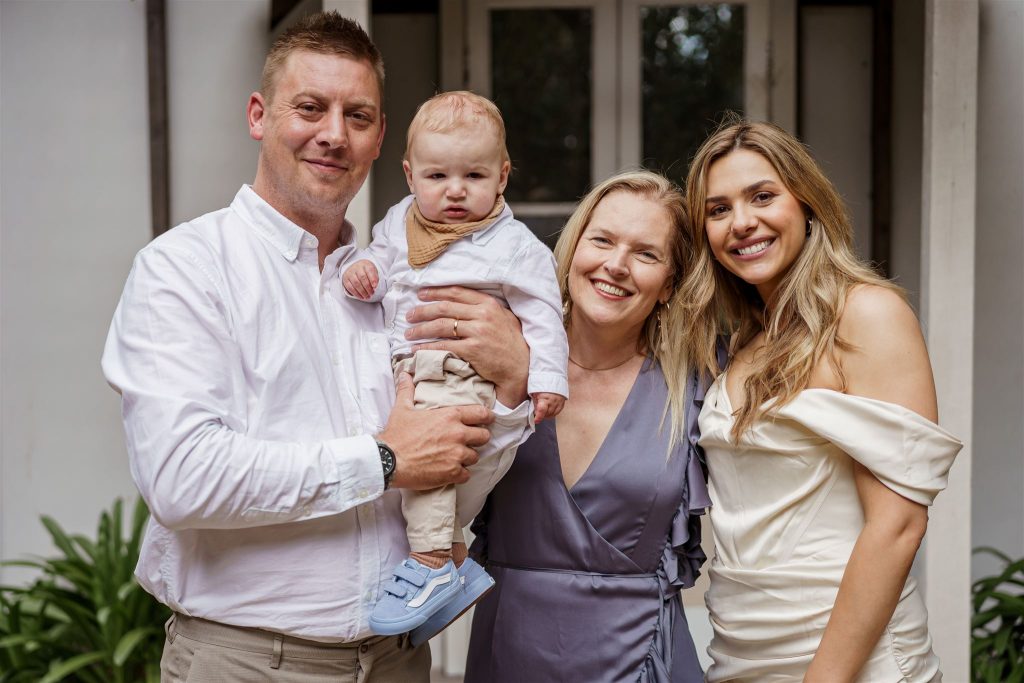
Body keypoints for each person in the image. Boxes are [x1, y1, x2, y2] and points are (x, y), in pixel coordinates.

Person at [101, 12, 531, 681]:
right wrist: (384, 458)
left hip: (397, 658)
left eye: (358, 116)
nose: (334, 134)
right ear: (258, 115)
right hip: (247, 660)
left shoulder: (399, 289)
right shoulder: (184, 268)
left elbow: (449, 488)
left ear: (380, 138)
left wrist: (508, 391)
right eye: (310, 108)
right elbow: (182, 479)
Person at [680, 119, 962, 682]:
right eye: (718, 210)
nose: (742, 223)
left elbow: (898, 526)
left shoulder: (867, 314)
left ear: (807, 202)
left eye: (762, 196)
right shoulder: (741, 343)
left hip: (851, 658)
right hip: (741, 649)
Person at [465, 171, 709, 683]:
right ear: (574, 248)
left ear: (668, 285)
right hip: (508, 654)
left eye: (645, 254)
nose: (615, 265)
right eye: (601, 240)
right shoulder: (500, 357)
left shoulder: (695, 387)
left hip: (640, 663)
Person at [341, 91, 568, 639]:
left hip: (459, 370)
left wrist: (548, 379)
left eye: (474, 175)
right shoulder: (400, 222)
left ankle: (431, 563)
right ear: (409, 174)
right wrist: (366, 269)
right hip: (410, 368)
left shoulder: (514, 247)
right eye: (438, 175)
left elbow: (543, 313)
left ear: (503, 176)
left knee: (430, 463)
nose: (456, 190)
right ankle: (456, 552)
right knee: (419, 469)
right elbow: (382, 257)